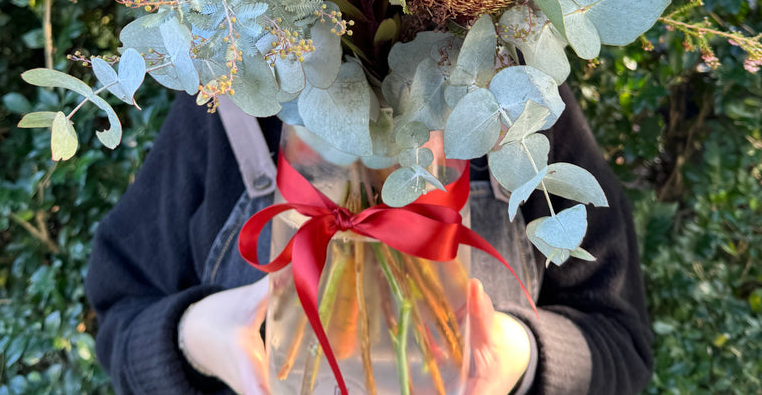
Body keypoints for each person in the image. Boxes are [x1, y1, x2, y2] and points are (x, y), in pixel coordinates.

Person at [85, 85, 653, 395]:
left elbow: (620, 346)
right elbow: (120, 317)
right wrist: (194, 337)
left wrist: (521, 357)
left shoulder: (514, 100)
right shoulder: (230, 95)